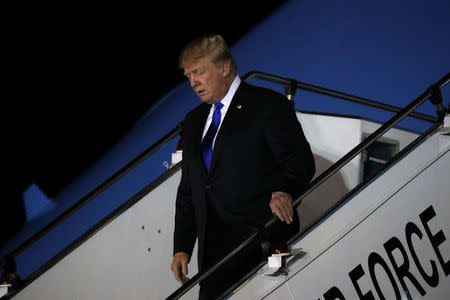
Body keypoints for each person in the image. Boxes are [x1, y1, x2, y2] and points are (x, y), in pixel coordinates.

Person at [170, 33, 315, 299]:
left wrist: (284, 190)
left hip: (259, 246)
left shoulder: (266, 104)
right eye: (188, 76)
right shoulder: (193, 121)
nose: (193, 82)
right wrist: (182, 247)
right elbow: (189, 190)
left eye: (199, 73)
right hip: (214, 261)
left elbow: (299, 160)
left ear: (224, 68)